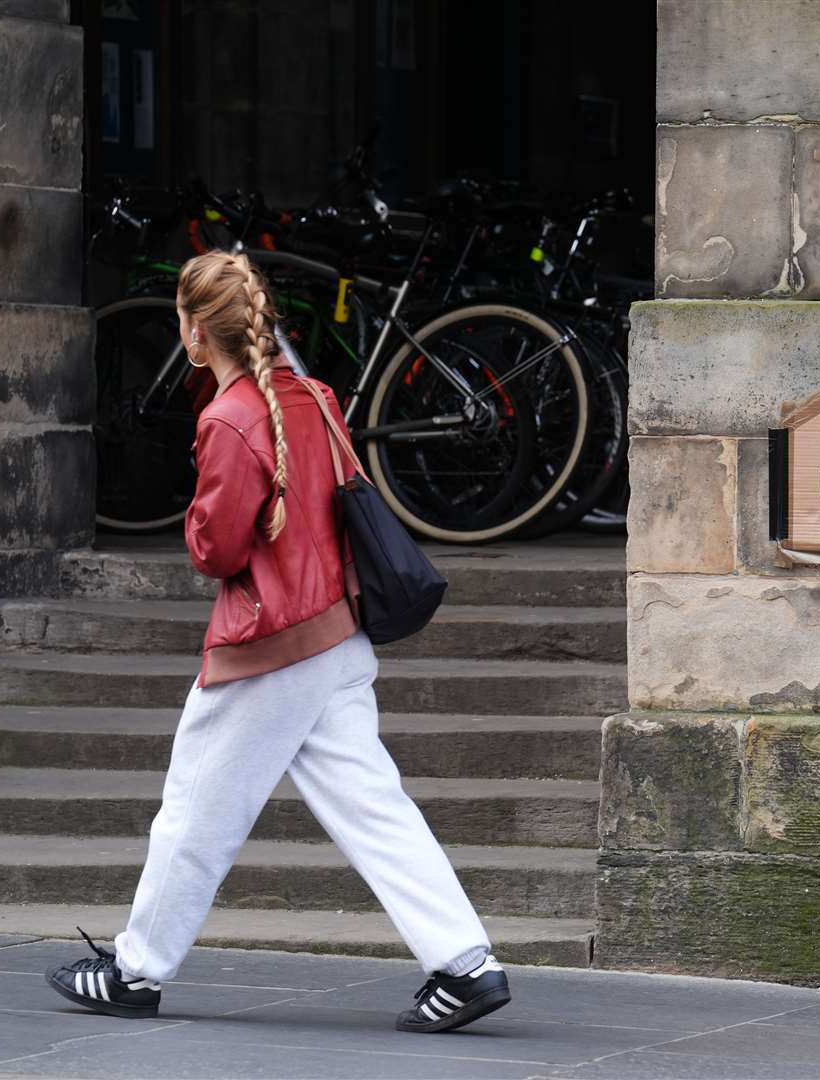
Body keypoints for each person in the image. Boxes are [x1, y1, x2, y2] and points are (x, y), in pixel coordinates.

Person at [44, 250, 508, 1034]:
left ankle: (135, 972)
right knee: (375, 809)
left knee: (193, 813)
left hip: (271, 647)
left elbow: (217, 550)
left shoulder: (228, 418)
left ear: (195, 331)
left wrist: (196, 516)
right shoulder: (314, 395)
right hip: (337, 635)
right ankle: (466, 965)